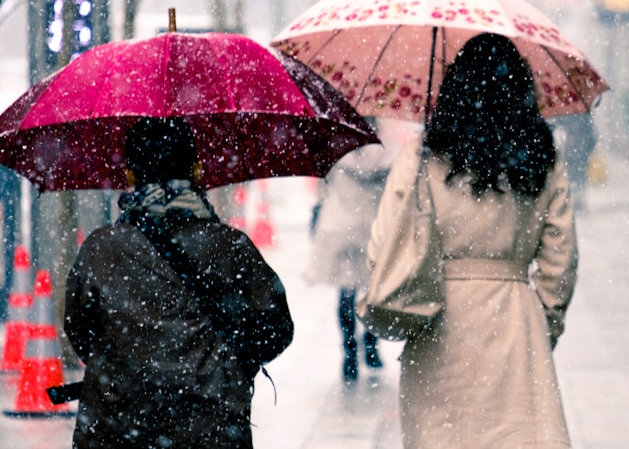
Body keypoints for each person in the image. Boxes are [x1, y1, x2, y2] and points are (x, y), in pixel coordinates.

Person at [367, 33, 578, 447]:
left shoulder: (423, 156)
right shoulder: (540, 156)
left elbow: (383, 245)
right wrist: (542, 324)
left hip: (437, 322)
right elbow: (561, 258)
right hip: (516, 323)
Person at [64, 117, 294, 448]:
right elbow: (276, 331)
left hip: (116, 426)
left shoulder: (102, 249)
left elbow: (80, 331)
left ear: (129, 174)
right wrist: (229, 365)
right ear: (197, 170)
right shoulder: (230, 247)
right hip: (210, 427)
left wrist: (125, 371)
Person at [304, 117, 419, 382]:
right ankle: (370, 345)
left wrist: (316, 217)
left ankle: (348, 352)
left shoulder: (334, 148)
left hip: (340, 227)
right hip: (372, 227)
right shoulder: (389, 152)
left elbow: (323, 191)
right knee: (372, 290)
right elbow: (397, 194)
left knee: (346, 292)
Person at [550, 112, 597, 211]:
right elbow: (592, 137)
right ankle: (578, 198)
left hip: (572, 151)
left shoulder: (567, 114)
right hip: (579, 152)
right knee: (579, 174)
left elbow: (556, 125)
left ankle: (576, 198)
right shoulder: (584, 117)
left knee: (573, 174)